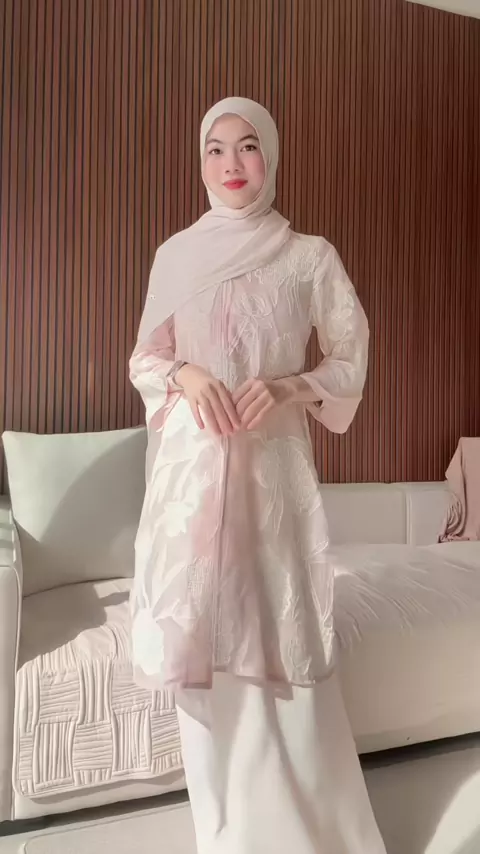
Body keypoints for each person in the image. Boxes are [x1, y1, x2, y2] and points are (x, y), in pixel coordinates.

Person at [129, 97, 386, 854]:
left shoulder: (308, 256)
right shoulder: (176, 255)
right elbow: (145, 358)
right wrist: (186, 375)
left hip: (272, 476)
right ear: (200, 161)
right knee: (200, 639)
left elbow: (351, 356)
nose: (231, 163)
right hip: (192, 479)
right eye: (215, 148)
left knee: (280, 633)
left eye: (247, 146)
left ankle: (307, 832)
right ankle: (224, 835)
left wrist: (289, 385)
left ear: (270, 156)